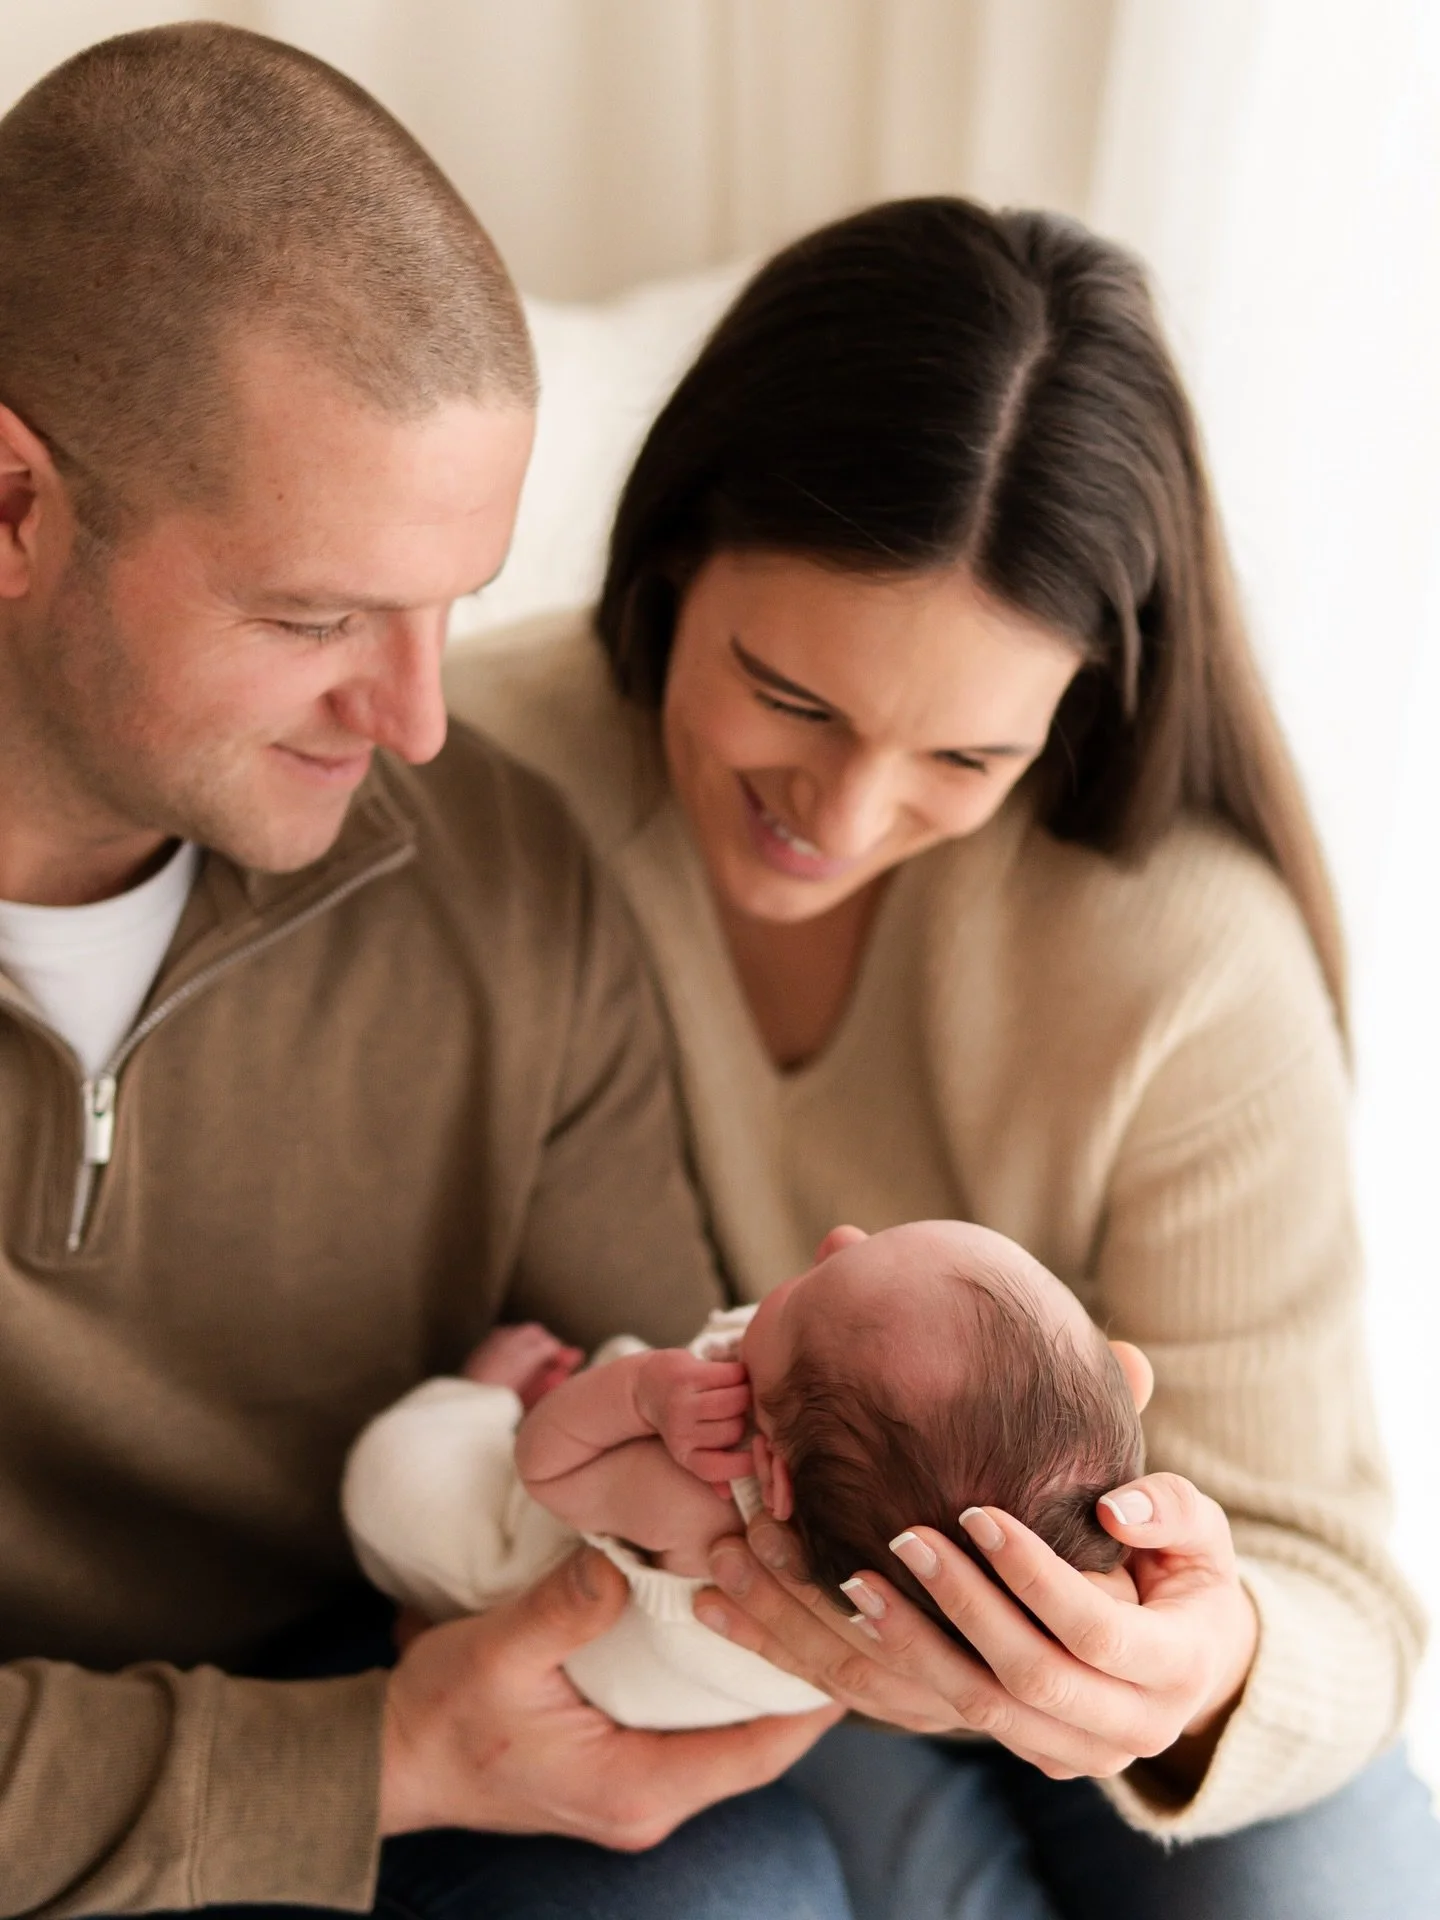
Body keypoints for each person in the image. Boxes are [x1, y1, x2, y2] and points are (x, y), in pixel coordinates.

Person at [445, 196, 1440, 1915]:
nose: (841, 816)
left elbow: (1335, 1589)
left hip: (1068, 1648)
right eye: (791, 694)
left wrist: (1193, 1674)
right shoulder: (473, 789)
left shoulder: (1186, 961)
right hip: (675, 1604)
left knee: (1327, 1881)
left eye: (965, 757)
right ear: (678, 541)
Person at [0, 26, 847, 1920]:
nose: (415, 719)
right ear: (12, 506)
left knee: (763, 1877)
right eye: (316, 617)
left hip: (383, 1683)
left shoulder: (502, 889)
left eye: (450, 605)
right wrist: (379, 1759)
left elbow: (667, 1452)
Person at [342, 1219, 1147, 1726]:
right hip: (725, 1694)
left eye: (809, 1294)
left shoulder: (688, 1499)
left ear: (772, 1471)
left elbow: (546, 1469)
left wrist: (636, 1395)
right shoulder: (904, 1568)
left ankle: (471, 1403)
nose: (839, 1236)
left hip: (540, 1597)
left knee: (398, 1480)